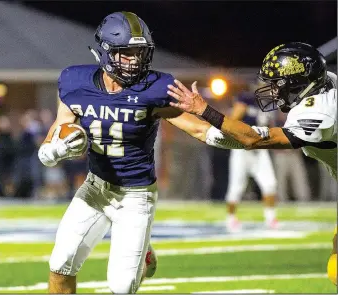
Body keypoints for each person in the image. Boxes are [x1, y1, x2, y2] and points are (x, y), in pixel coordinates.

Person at [37, 12, 217, 294]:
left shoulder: (154, 87)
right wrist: (53, 151)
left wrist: (240, 137)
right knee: (60, 266)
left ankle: (142, 259)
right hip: (95, 188)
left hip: (136, 195)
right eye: (127, 52)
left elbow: (199, 129)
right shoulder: (76, 81)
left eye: (140, 52)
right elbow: (57, 131)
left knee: (121, 288)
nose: (135, 60)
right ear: (106, 52)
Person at [166, 42, 337, 285]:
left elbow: (252, 139)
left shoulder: (320, 112)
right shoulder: (323, 82)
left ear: (300, 82)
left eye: (279, 83)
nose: (274, 90)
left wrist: (203, 110)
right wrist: (168, 113)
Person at [225, 88, 278, 231]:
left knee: (270, 184)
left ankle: (270, 218)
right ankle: (230, 218)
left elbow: (271, 128)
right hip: (242, 149)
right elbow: (232, 121)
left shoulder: (271, 105)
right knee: (236, 187)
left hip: (260, 149)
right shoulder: (247, 99)